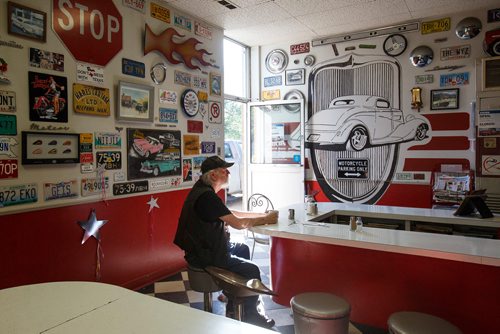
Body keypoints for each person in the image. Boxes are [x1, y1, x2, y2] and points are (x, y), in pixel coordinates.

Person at [174, 155, 278, 329]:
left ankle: (231, 299)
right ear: (214, 175)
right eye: (224, 170)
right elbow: (238, 224)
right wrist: (265, 220)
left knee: (243, 248)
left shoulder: (203, 190)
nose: (228, 172)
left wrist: (262, 215)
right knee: (251, 269)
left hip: (204, 248)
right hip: (205, 255)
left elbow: (230, 213)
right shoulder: (207, 198)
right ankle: (251, 315)